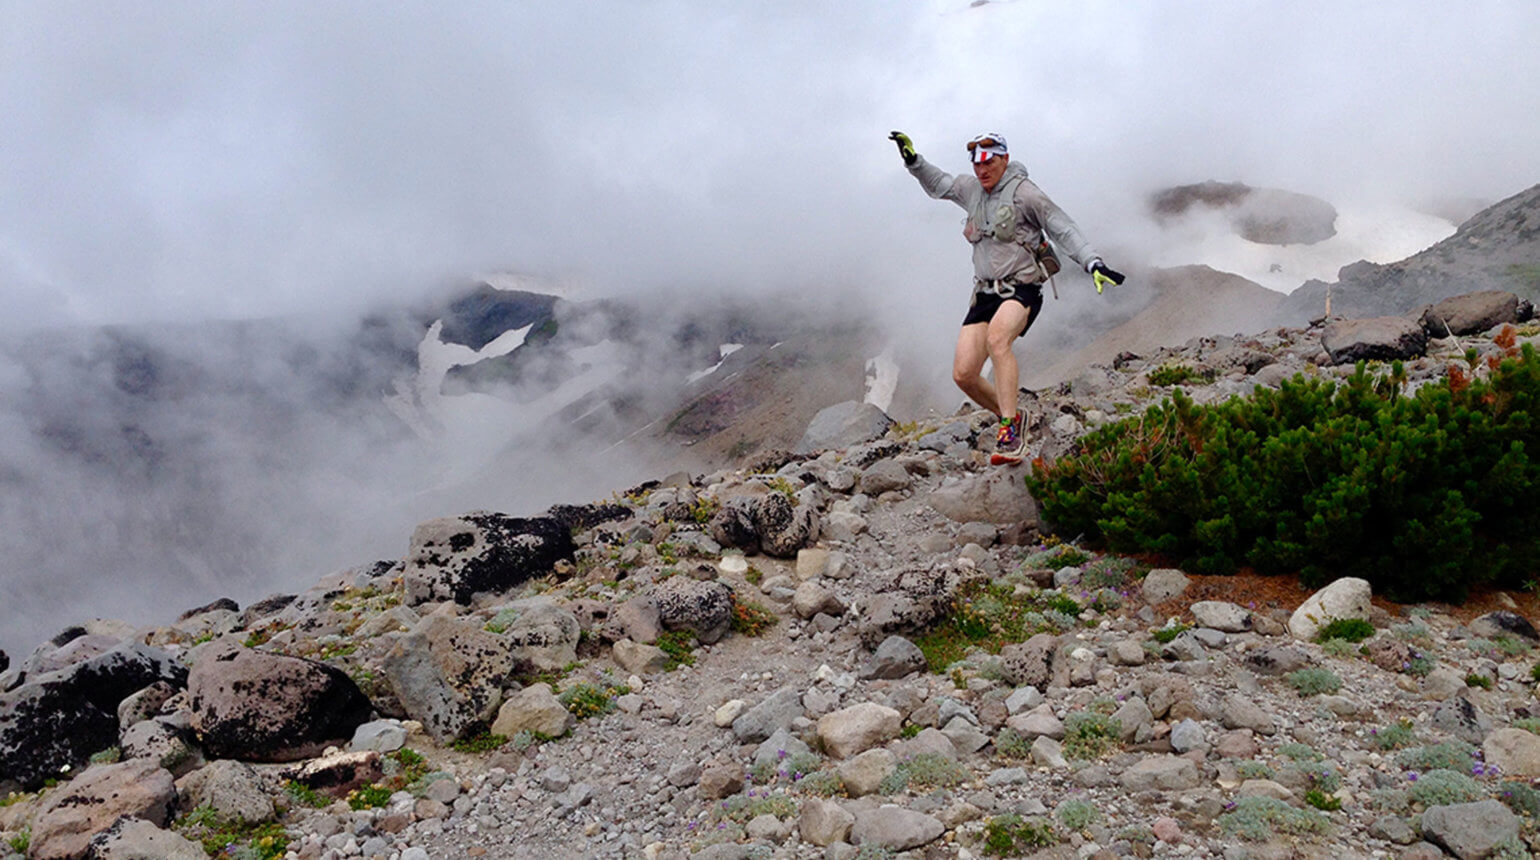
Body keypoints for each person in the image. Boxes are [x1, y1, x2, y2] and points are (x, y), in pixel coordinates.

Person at [889, 130, 1123, 465]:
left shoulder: (1026, 194)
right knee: (964, 374)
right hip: (984, 292)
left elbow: (1062, 227)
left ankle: (1010, 433)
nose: (982, 170)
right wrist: (914, 161)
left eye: (989, 162)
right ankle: (1013, 415)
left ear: (1004, 159)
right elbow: (939, 184)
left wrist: (1092, 262)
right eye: (977, 163)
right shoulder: (971, 190)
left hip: (1022, 288)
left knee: (999, 340)